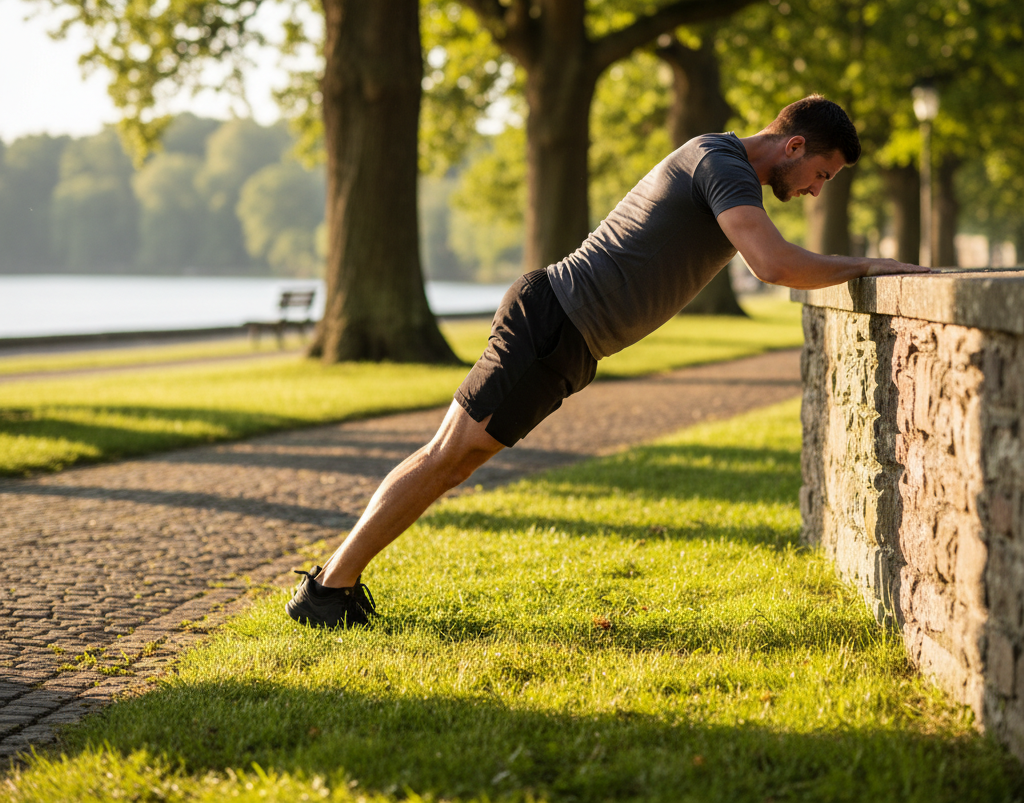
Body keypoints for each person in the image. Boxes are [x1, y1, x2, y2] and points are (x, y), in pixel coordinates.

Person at [286, 94, 929, 628]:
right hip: (552, 321)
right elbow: (773, 264)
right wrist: (869, 264)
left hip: (569, 339)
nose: (819, 191)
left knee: (454, 460)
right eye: (823, 174)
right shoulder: (722, 161)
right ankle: (327, 592)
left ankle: (334, 588)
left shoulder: (729, 166)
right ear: (794, 146)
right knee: (446, 457)